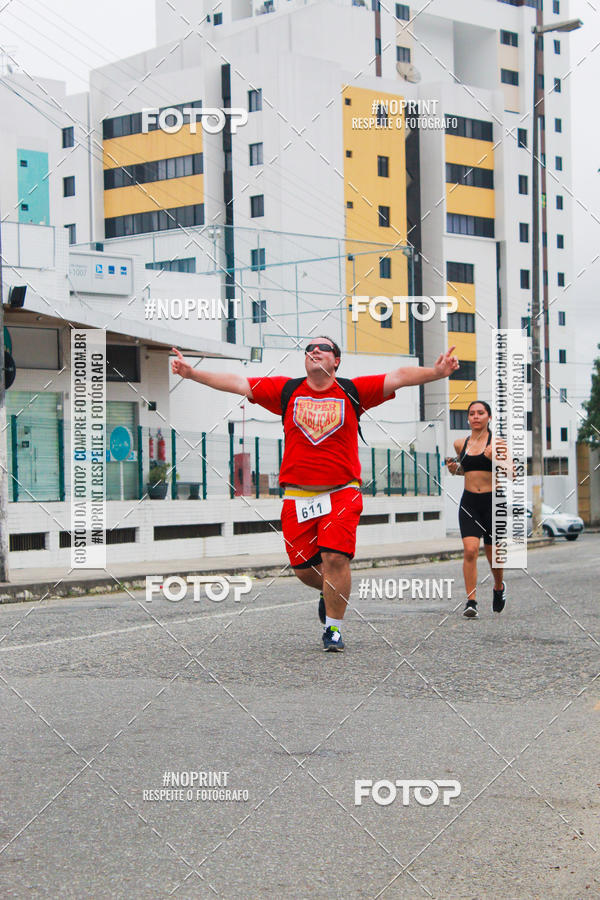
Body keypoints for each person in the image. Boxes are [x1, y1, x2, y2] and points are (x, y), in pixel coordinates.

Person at [172, 337, 459, 651]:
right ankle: (328, 590)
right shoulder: (286, 391)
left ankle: (333, 629)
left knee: (334, 557)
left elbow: (399, 377)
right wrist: (192, 373)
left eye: (323, 347)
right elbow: (239, 382)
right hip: (297, 497)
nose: (315, 351)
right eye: (309, 348)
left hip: (341, 493)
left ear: (336, 361)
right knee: (303, 569)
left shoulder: (352, 391)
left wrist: (436, 372)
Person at [446, 400, 507, 619]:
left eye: (481, 413)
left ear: (488, 417)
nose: (476, 417)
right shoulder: (460, 444)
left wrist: (496, 460)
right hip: (469, 502)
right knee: (470, 550)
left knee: (493, 556)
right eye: (472, 413)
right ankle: (471, 601)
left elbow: (513, 473)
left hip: (493, 503)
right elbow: (467, 471)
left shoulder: (498, 444)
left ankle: (499, 587)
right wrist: (455, 469)